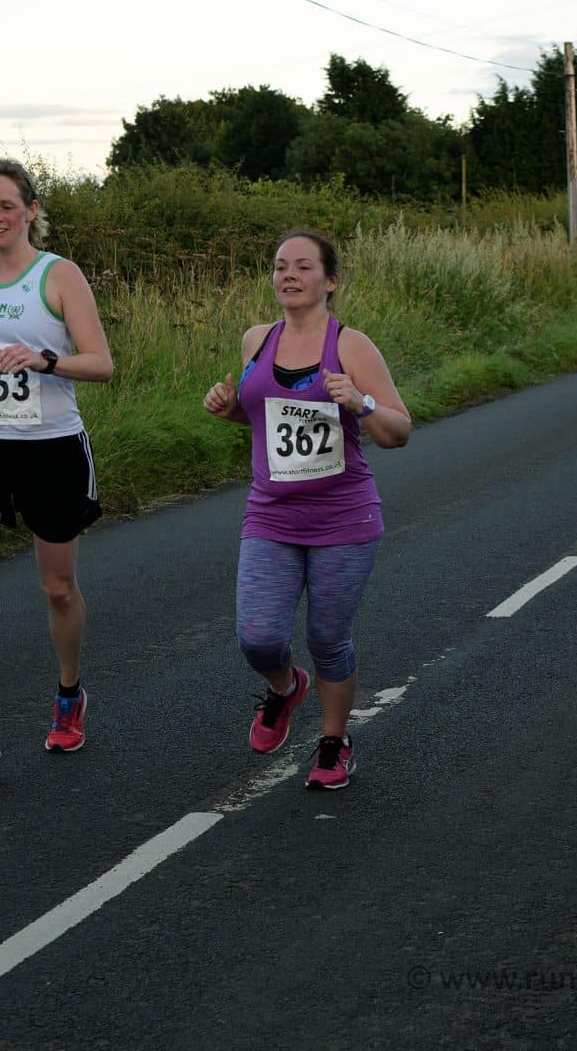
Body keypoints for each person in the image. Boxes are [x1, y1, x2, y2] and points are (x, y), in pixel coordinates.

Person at [204, 229, 410, 790]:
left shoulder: (351, 345)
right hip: (271, 515)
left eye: (303, 267)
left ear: (331, 280)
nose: (288, 275)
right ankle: (284, 688)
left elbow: (399, 431)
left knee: (326, 638)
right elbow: (262, 418)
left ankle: (333, 739)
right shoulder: (256, 340)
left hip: (344, 519)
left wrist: (361, 402)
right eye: (279, 267)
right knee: (258, 637)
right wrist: (226, 409)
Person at [0, 159, 113, 781]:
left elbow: (102, 363)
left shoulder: (59, 275)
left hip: (51, 447)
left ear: (30, 210)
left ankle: (69, 693)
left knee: (57, 587)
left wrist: (46, 360)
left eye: (6, 206)